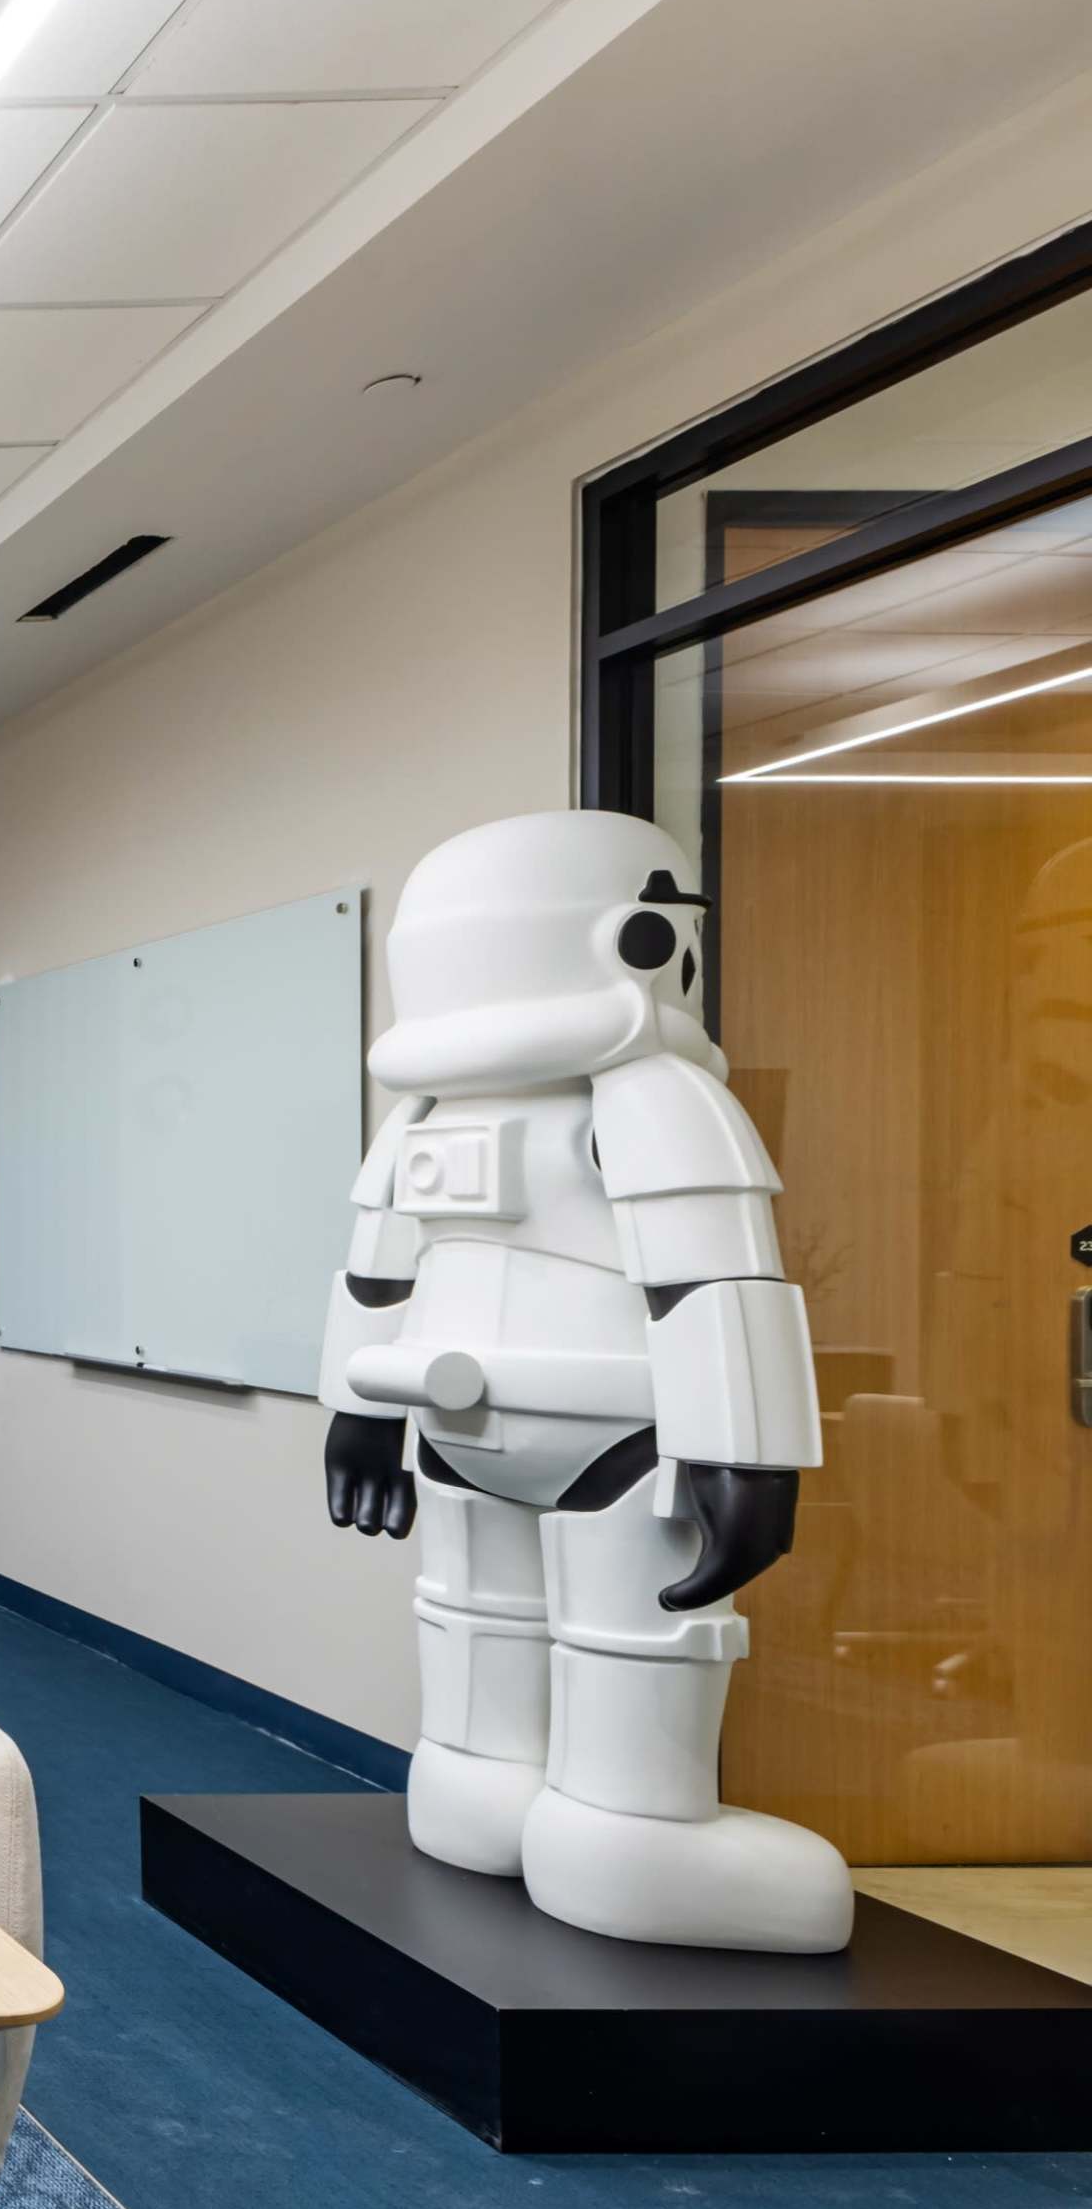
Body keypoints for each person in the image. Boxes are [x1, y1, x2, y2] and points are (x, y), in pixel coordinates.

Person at [317, 810, 846, 1953]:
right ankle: (626, 1828)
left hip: (461, 1427)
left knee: (480, 1620)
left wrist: (356, 1410)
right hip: (618, 1432)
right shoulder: (656, 1102)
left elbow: (372, 1281)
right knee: (614, 1638)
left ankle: (489, 1787)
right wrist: (748, 1451)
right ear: (639, 941)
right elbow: (717, 1280)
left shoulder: (422, 1113)